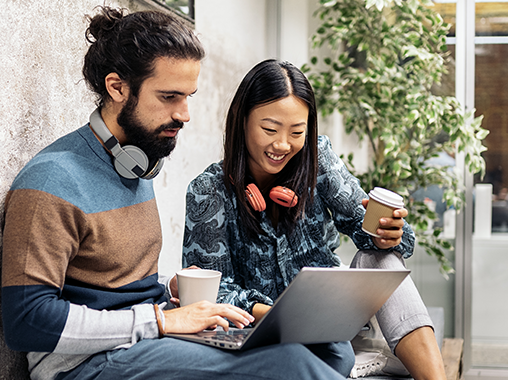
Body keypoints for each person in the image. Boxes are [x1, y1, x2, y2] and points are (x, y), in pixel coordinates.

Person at [1, 8, 355, 380]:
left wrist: (170, 289)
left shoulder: (134, 162)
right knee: (290, 364)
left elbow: (112, 287)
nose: (185, 114)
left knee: (327, 347)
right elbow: (27, 321)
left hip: (147, 336)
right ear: (117, 88)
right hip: (87, 363)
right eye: (170, 97)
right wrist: (162, 320)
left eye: (188, 96)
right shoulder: (52, 180)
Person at [182, 59, 447, 379]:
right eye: (269, 129)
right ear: (241, 120)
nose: (282, 145)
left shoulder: (318, 159)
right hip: (262, 330)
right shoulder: (208, 190)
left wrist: (386, 233)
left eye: (297, 132)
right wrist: (283, 316)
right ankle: (361, 357)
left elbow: (378, 232)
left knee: (380, 258)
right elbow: (209, 293)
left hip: (330, 321)